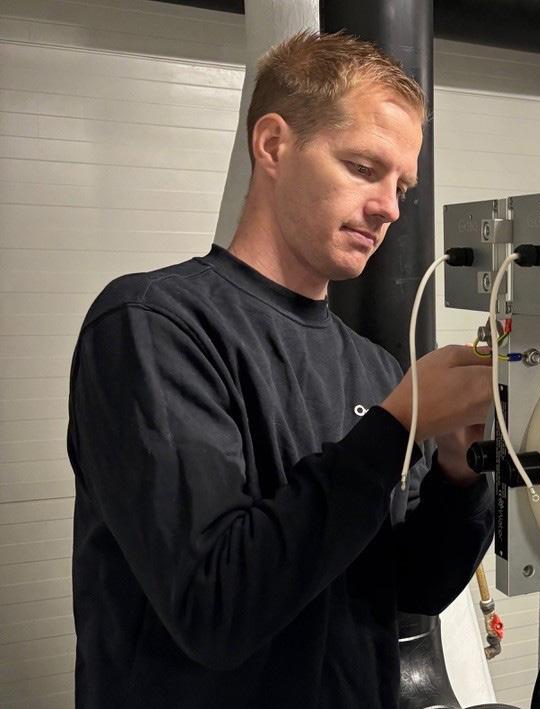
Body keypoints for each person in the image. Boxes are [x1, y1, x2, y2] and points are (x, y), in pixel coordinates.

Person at [67, 31, 494, 708]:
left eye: (401, 186)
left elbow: (411, 588)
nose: (389, 207)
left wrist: (458, 471)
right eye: (363, 167)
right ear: (272, 145)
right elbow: (214, 606)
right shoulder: (153, 326)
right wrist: (394, 427)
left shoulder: (371, 365)